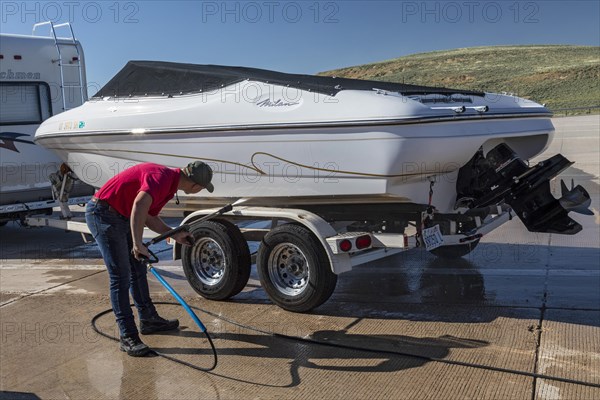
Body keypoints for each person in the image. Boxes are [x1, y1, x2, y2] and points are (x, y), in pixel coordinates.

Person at [85, 161, 214, 356]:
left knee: (137, 269)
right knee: (120, 277)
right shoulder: (161, 178)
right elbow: (139, 205)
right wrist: (138, 244)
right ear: (195, 186)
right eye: (203, 188)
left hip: (119, 215)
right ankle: (128, 336)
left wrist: (175, 234)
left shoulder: (169, 184)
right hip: (103, 214)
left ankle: (148, 319)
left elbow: (148, 216)